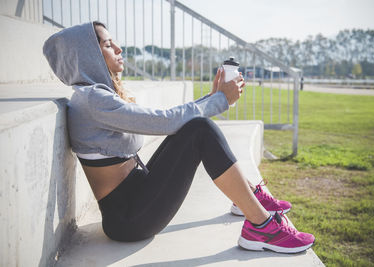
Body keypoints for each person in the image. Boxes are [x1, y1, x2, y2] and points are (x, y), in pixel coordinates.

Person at [43, 21, 314, 253]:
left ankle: (248, 198)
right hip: (130, 219)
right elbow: (165, 121)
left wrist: (212, 98)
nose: (119, 49)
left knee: (194, 127)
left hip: (137, 199)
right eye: (108, 45)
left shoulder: (94, 97)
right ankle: (262, 227)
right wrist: (219, 100)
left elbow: (168, 120)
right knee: (200, 130)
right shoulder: (93, 100)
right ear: (87, 55)